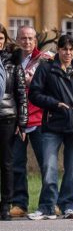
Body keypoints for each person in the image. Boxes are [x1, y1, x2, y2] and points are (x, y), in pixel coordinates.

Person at [27, 35, 73, 221]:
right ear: (58, 49)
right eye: (64, 49)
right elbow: (34, 94)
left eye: (71, 49)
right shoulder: (46, 69)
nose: (68, 53)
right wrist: (55, 104)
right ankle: (47, 206)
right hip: (52, 124)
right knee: (49, 166)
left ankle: (68, 205)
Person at [8, 26, 50, 218]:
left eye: (31, 38)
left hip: (40, 118)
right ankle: (19, 203)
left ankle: (49, 203)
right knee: (17, 164)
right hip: (18, 120)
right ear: (17, 40)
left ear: (36, 40)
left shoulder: (45, 60)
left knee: (46, 164)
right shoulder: (11, 60)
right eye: (23, 38)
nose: (27, 41)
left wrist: (37, 82)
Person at [0, 27, 27, 220]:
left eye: (0, 38)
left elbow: (21, 94)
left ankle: (5, 205)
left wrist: (22, 123)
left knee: (6, 163)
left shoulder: (13, 62)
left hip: (7, 116)